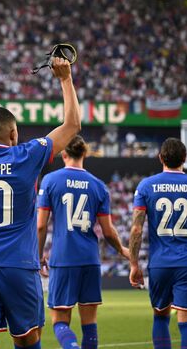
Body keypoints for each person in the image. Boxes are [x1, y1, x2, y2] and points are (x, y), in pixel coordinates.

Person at [0, 58, 81, 349]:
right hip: (18, 266)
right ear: (14, 134)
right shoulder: (26, 156)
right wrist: (65, 79)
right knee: (28, 341)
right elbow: (72, 125)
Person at [36, 135, 130, 349]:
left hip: (63, 258)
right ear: (84, 154)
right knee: (90, 325)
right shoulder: (98, 186)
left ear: (64, 154)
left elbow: (41, 226)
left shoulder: (51, 180)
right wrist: (123, 250)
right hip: (90, 258)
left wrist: (38, 254)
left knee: (60, 321)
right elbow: (107, 231)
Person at [129, 138, 187, 349]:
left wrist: (134, 264)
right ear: (185, 158)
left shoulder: (146, 186)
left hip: (159, 264)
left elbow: (137, 228)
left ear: (160, 158)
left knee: (160, 318)